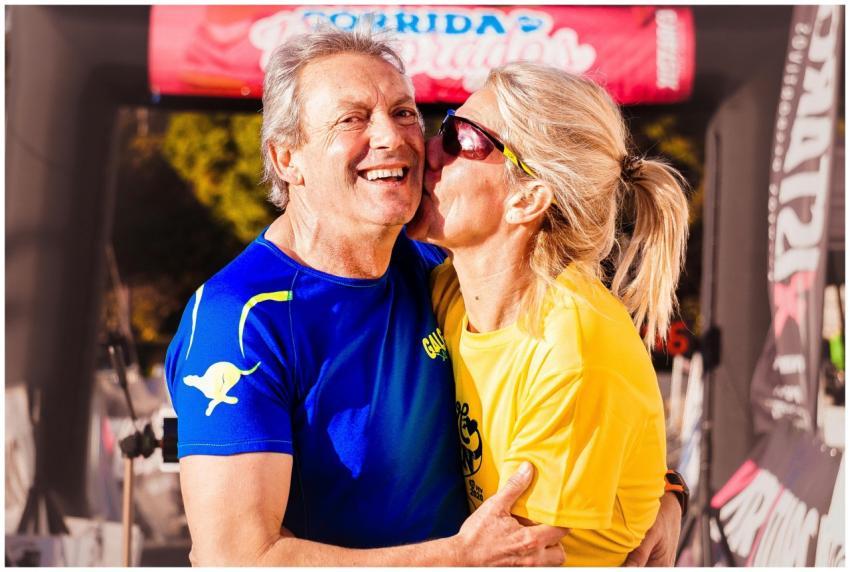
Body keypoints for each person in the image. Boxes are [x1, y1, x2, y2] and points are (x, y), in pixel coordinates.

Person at [165, 28, 682, 566]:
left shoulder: (438, 269)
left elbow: (590, 386)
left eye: (406, 112)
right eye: (353, 118)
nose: (394, 138)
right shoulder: (239, 322)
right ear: (286, 157)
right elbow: (236, 559)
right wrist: (455, 558)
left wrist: (657, 489)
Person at [407, 61, 690, 566]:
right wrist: (668, 487)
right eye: (443, 123)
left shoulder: (570, 352)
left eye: (461, 138)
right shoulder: (452, 286)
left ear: (527, 199)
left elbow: (509, 559)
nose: (428, 149)